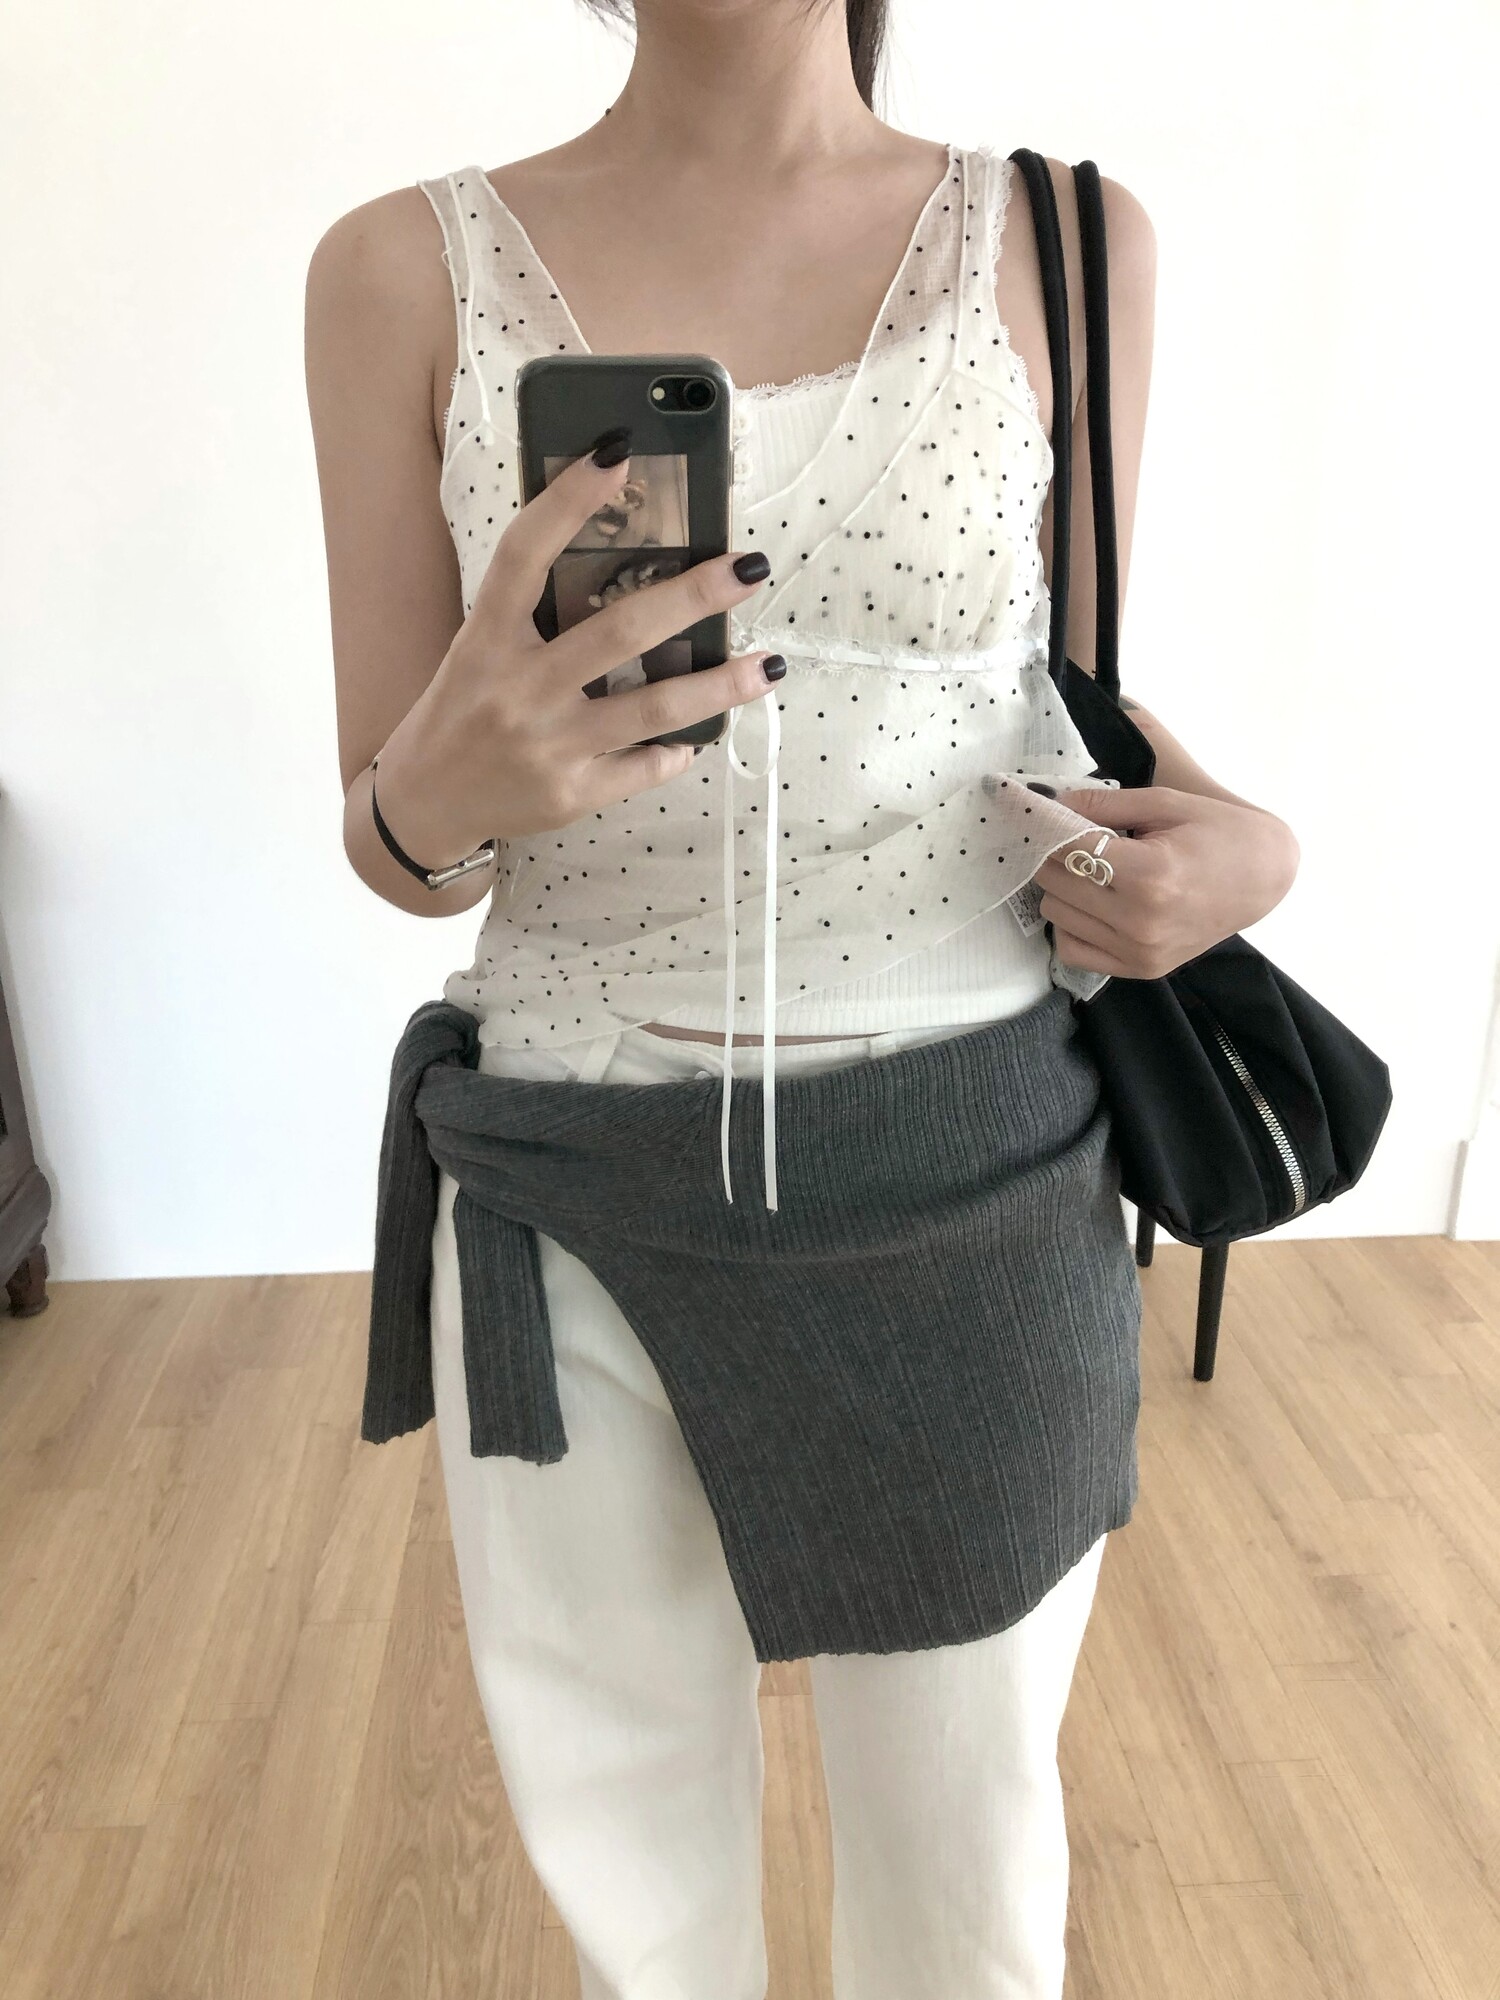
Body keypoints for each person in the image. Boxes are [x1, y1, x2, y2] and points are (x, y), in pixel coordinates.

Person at [304, 3, 1300, 1994]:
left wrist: (1242, 860)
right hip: (568, 1169)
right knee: (630, 1874)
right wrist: (437, 792)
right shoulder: (401, 271)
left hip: (972, 1165)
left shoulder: (1069, 242)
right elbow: (399, 849)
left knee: (967, 1876)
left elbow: (1064, 709)